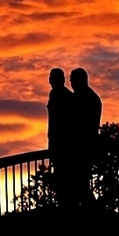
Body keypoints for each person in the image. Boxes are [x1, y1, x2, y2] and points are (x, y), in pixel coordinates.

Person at [69, 67, 102, 208]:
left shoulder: (83, 98)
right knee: (81, 185)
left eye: (72, 80)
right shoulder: (92, 97)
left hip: (82, 149)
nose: (71, 83)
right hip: (86, 147)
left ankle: (93, 213)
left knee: (80, 185)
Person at [47, 68, 75, 207]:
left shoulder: (65, 97)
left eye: (52, 77)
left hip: (64, 147)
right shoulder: (55, 94)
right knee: (61, 185)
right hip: (57, 145)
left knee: (66, 186)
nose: (50, 81)